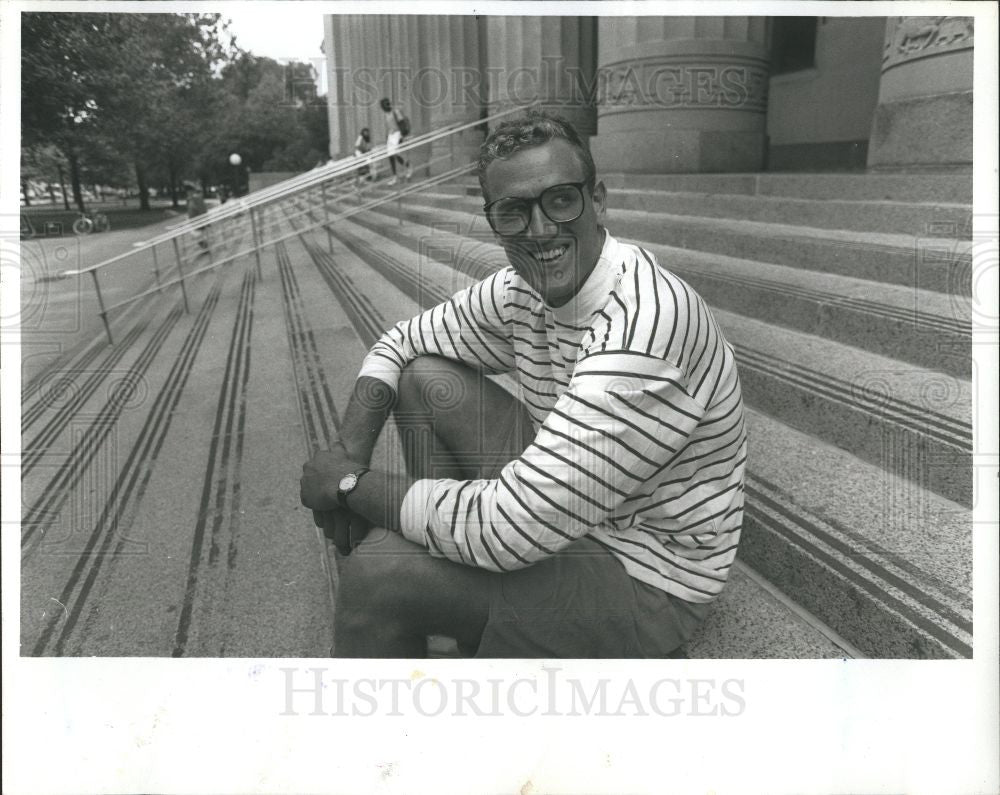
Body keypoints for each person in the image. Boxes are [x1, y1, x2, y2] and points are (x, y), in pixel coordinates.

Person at [300, 111, 747, 658]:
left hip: (651, 574)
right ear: (494, 220)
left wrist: (348, 487)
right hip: (571, 506)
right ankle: (458, 596)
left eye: (561, 200)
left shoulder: (646, 325)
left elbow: (510, 526)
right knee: (423, 377)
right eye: (514, 211)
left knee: (378, 574)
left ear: (599, 200)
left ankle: (405, 704)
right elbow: (400, 342)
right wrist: (348, 452)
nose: (539, 231)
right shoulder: (519, 290)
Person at [380, 97, 411, 186]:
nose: (384, 107)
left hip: (397, 133)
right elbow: (388, 127)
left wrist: (403, 135)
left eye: (386, 105)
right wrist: (387, 138)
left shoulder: (395, 112)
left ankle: (408, 166)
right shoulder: (386, 114)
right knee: (390, 156)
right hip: (391, 135)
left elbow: (402, 123)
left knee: (396, 154)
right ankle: (395, 176)